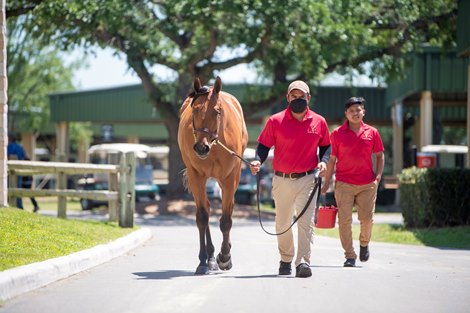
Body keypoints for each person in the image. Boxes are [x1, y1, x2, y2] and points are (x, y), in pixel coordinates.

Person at [249, 80, 331, 278]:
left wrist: (324, 162)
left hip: (308, 179)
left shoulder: (319, 121)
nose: (298, 99)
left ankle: (303, 262)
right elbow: (263, 147)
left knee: (305, 221)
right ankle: (285, 258)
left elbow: (327, 146)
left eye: (301, 96)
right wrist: (257, 161)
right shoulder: (275, 121)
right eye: (294, 96)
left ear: (308, 98)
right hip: (282, 179)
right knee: (283, 222)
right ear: (288, 98)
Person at [321, 97, 384, 267]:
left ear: (363, 112)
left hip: (367, 184)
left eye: (358, 110)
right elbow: (332, 160)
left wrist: (378, 176)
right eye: (351, 111)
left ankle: (364, 243)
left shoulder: (372, 132)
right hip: (344, 183)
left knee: (366, 220)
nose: (355, 113)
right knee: (344, 221)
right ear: (346, 114)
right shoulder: (336, 134)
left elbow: (379, 155)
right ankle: (349, 255)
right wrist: (326, 183)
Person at [7, 135, 26, 209]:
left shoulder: (10, 146)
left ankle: (12, 204)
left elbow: (7, 156)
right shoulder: (20, 147)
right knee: (18, 188)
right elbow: (24, 156)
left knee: (10, 187)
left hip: (10, 171)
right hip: (19, 170)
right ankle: (19, 206)